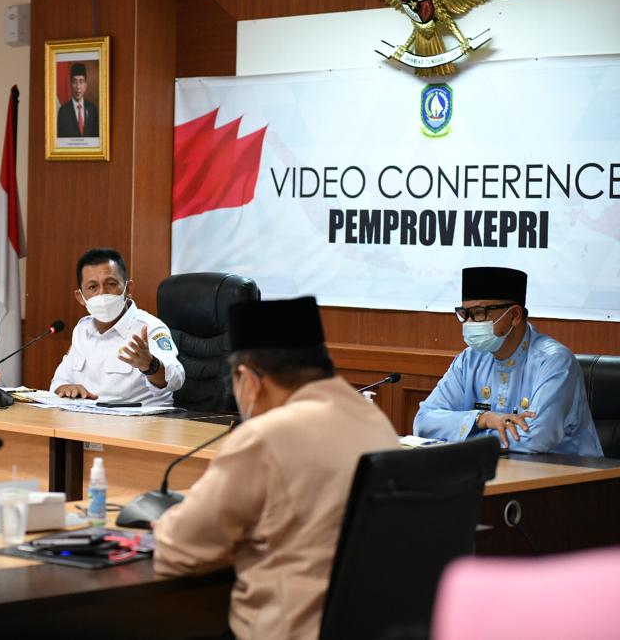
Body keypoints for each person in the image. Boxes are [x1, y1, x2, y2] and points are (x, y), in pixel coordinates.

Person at [153, 296, 399, 640]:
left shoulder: (265, 435)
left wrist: (165, 522)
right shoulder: (375, 420)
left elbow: (178, 551)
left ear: (249, 379)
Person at [413, 266, 602, 455]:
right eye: (465, 314)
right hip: (499, 466)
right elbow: (423, 422)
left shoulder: (554, 361)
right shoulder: (469, 360)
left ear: (514, 315)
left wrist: (462, 436)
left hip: (569, 470)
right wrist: (483, 419)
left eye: (479, 313)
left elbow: (536, 438)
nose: (469, 323)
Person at [50, 247, 184, 405]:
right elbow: (59, 380)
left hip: (138, 418)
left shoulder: (149, 328)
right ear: (80, 297)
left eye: (111, 284)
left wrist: (150, 365)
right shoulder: (82, 329)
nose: (102, 293)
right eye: (93, 287)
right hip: (87, 416)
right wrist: (65, 388)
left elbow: (176, 379)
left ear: (128, 289)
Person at [56, 62, 99, 138]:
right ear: (70, 84)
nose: (78, 86)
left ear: (85, 85)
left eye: (81, 82)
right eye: (74, 82)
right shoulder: (63, 112)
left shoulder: (93, 110)